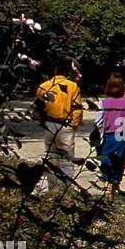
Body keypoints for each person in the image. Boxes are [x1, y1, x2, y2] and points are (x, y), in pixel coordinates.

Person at [33, 58, 84, 192]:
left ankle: (53, 189)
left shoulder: (44, 86)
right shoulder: (72, 86)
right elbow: (77, 108)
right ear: (67, 71)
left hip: (49, 124)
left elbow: (37, 108)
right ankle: (65, 189)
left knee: (52, 158)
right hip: (65, 124)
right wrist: (73, 124)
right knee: (67, 159)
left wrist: (42, 122)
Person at [94, 72, 125, 199]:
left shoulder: (104, 103)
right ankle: (114, 186)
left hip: (108, 134)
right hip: (122, 134)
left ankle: (107, 186)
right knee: (119, 161)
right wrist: (124, 123)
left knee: (107, 159)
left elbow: (97, 121)